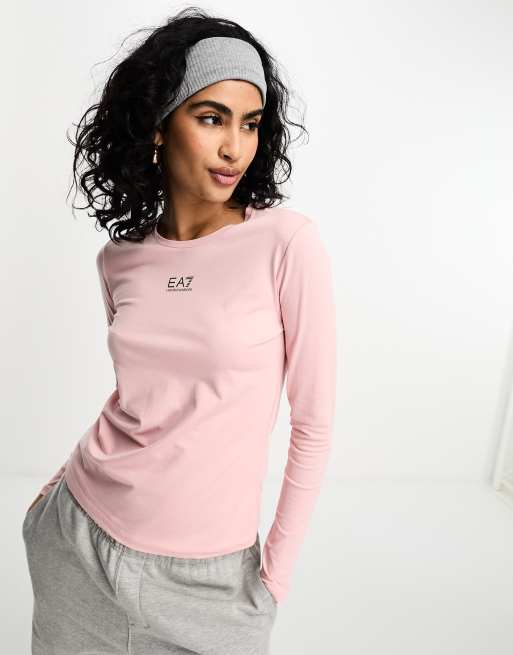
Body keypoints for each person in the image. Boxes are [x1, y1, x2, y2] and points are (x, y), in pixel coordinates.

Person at [22, 7, 337, 654]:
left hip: (214, 585)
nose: (234, 147)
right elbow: (142, 395)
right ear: (160, 125)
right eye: (211, 117)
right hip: (79, 542)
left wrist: (272, 578)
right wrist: (48, 500)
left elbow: (313, 423)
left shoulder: (285, 244)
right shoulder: (119, 259)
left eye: (250, 123)